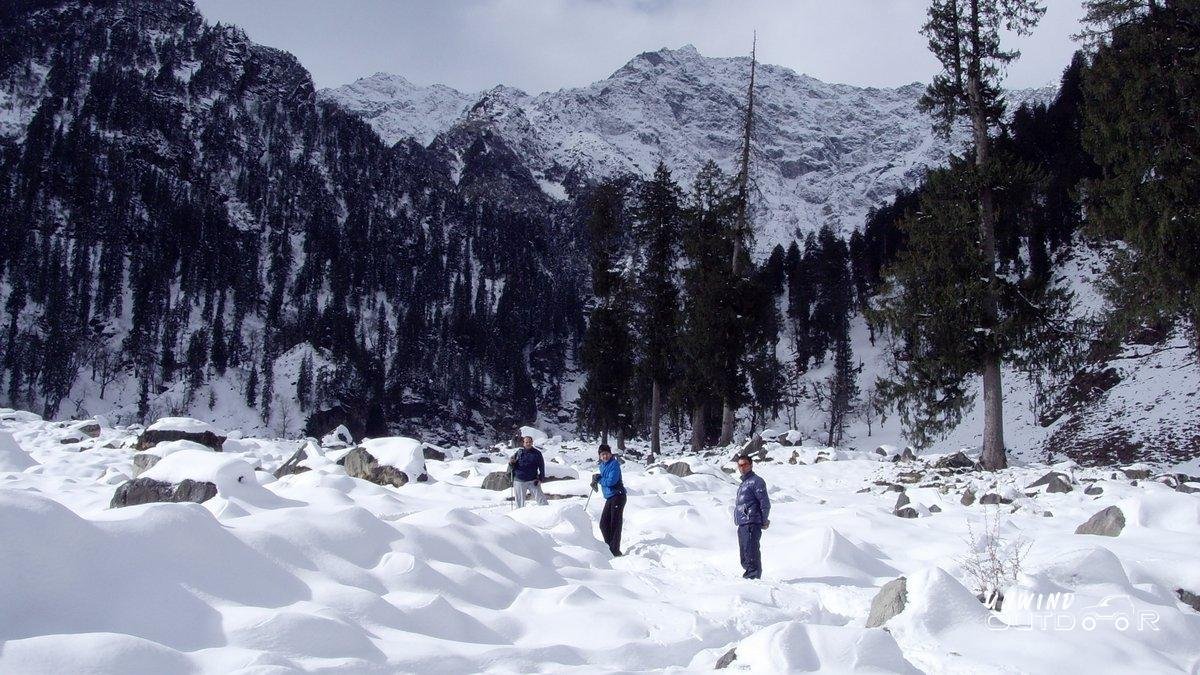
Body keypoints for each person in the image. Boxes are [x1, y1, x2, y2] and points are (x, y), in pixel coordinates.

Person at [733, 453, 770, 579]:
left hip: (751, 522)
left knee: (751, 552)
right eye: (740, 465)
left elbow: (765, 503)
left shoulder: (756, 481)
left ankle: (753, 579)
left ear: (751, 465)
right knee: (744, 554)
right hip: (743, 522)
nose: (742, 467)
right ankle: (749, 577)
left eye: (745, 465)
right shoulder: (744, 483)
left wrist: (764, 521)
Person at [590, 444, 626, 557]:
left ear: (610, 454)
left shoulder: (614, 464)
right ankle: (609, 547)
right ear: (600, 456)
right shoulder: (603, 465)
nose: (604, 456)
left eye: (606, 454)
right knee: (604, 524)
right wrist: (597, 477)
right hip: (610, 497)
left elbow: (611, 481)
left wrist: (600, 479)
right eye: (602, 454)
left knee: (615, 523)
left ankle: (615, 551)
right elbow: (605, 477)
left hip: (618, 495)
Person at [508, 435, 548, 507]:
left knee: (542, 500)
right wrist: (511, 463)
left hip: (533, 480)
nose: (528, 443)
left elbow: (541, 467)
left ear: (532, 443)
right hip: (519, 480)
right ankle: (519, 517)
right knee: (519, 503)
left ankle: (548, 513)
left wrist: (540, 479)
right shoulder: (518, 453)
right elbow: (511, 465)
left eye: (530, 442)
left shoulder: (537, 453)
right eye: (526, 442)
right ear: (523, 443)